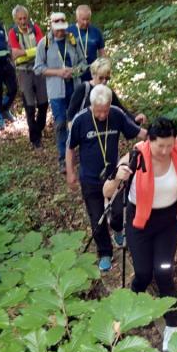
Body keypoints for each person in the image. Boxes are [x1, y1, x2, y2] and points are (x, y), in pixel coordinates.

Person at [104, 117, 177, 351]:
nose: (165, 150)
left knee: (164, 272)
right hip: (140, 222)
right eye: (160, 145)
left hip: (168, 222)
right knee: (142, 272)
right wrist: (118, 176)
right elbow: (107, 191)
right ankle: (127, 310)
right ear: (149, 141)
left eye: (169, 145)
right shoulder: (135, 157)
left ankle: (172, 328)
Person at [67, 85, 147, 272]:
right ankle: (105, 253)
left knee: (118, 212)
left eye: (105, 111)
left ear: (110, 105)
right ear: (91, 105)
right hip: (90, 178)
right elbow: (69, 148)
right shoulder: (81, 120)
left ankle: (118, 230)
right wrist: (70, 173)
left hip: (114, 177)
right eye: (98, 111)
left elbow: (137, 132)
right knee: (97, 218)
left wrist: (159, 138)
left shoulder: (117, 114)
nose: (102, 115)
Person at [35, 11, 83, 172]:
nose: (60, 30)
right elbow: (38, 68)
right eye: (57, 26)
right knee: (61, 122)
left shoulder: (73, 40)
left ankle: (78, 153)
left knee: (76, 121)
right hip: (56, 91)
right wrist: (58, 72)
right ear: (51, 25)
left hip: (74, 88)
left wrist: (74, 71)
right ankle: (63, 158)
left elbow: (83, 63)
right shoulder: (44, 44)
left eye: (63, 25)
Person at [9, 5, 48, 148]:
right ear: (15, 19)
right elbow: (15, 54)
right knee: (30, 106)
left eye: (25, 18)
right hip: (23, 71)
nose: (23, 21)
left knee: (44, 103)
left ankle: (39, 127)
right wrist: (33, 51)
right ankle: (35, 139)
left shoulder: (35, 28)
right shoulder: (13, 33)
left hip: (39, 69)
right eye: (20, 19)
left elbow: (43, 46)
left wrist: (24, 52)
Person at [67, 57, 146, 124]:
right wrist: (72, 132)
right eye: (101, 78)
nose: (104, 81)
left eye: (107, 78)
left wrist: (135, 119)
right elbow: (71, 113)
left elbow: (121, 110)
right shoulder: (84, 88)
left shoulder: (108, 92)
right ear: (93, 75)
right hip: (84, 129)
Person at [67, 4, 105, 82]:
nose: (85, 22)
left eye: (88, 19)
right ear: (77, 18)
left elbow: (102, 54)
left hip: (93, 75)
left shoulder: (96, 32)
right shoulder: (68, 32)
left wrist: (103, 69)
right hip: (74, 75)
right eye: (83, 19)